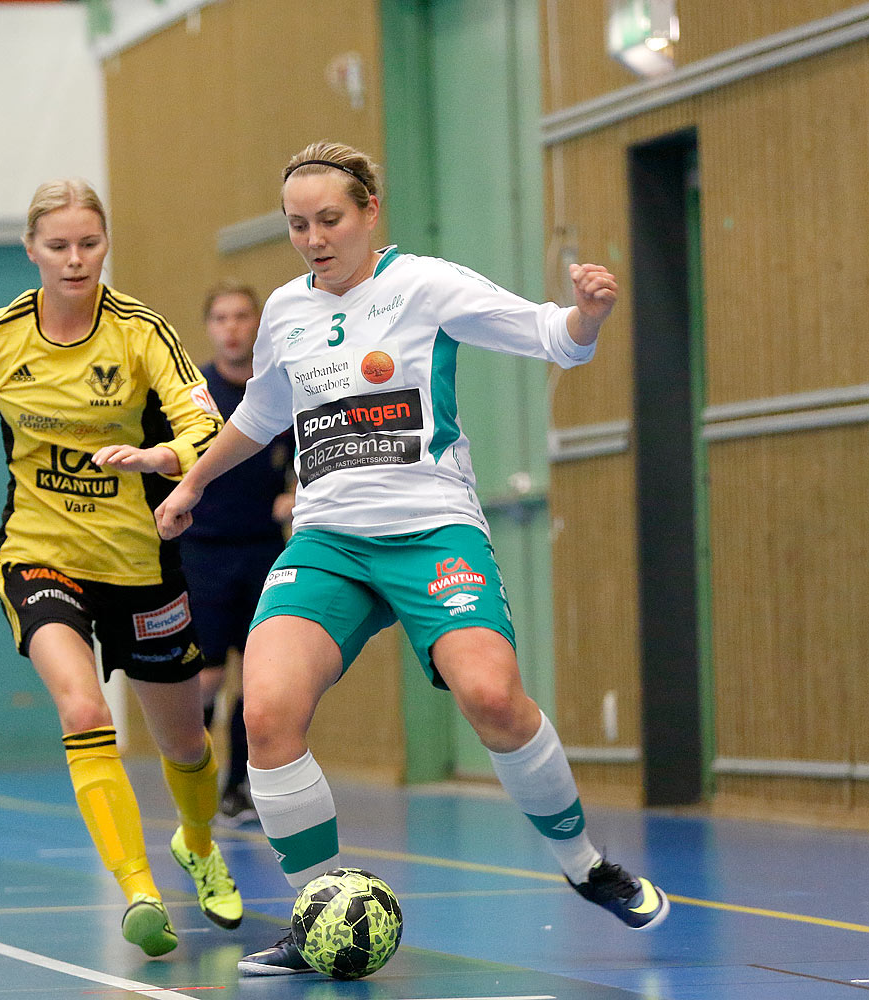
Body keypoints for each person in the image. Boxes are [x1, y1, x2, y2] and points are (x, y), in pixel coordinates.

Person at [154, 142, 669, 976]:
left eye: (329, 220)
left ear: (368, 213)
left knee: (493, 697)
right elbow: (259, 415)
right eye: (297, 225)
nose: (315, 238)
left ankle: (587, 867)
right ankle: (319, 908)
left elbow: (551, 337)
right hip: (327, 543)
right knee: (267, 716)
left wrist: (589, 316)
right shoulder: (285, 310)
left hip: (432, 530)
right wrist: (193, 487)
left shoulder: (425, 285)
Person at [0, 178, 244, 958]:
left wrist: (163, 458)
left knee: (184, 745)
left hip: (141, 562)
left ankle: (199, 847)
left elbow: (204, 418)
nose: (76, 260)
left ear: (106, 243)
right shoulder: (0, 337)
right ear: (31, 250)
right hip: (40, 554)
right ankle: (139, 890)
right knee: (82, 711)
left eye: (90, 243)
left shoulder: (141, 331)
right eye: (59, 245)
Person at [179, 281, 295, 826]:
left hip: (262, 549)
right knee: (207, 677)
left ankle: (236, 785)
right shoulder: (193, 394)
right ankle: (196, 782)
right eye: (220, 317)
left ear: (257, 324)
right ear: (210, 327)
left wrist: (295, 493)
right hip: (203, 550)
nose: (232, 327)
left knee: (257, 677)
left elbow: (313, 454)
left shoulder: (278, 390)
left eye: (242, 316)